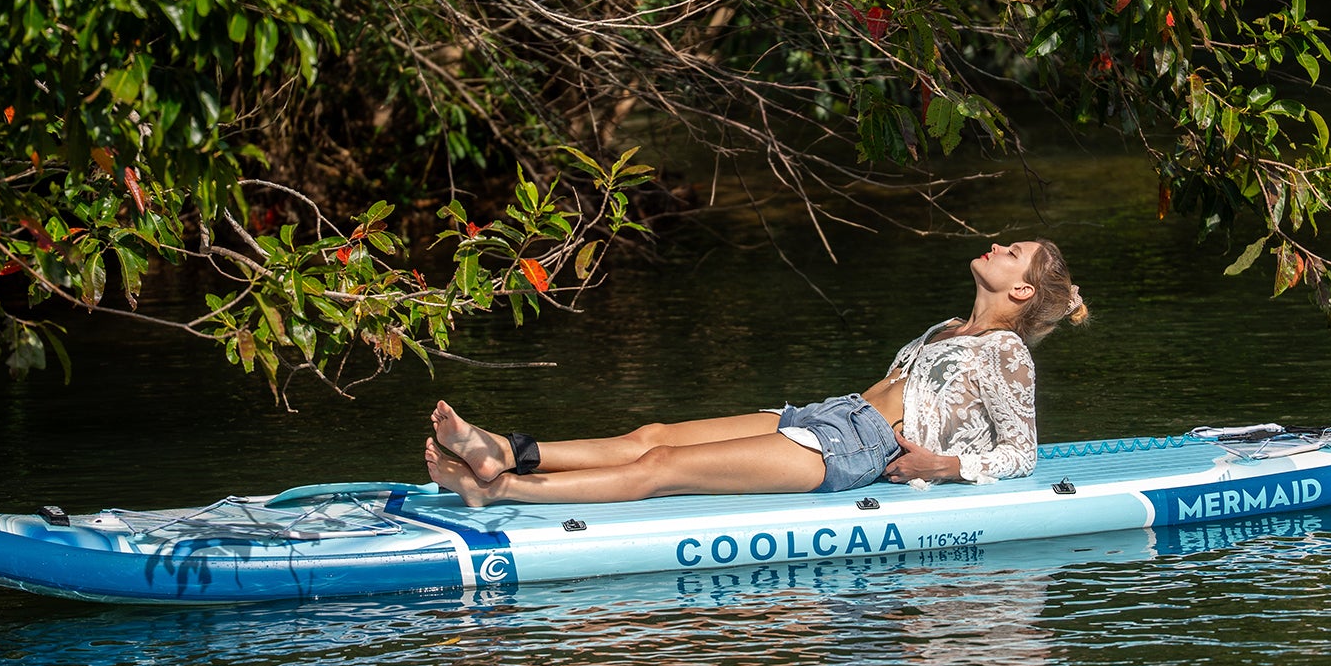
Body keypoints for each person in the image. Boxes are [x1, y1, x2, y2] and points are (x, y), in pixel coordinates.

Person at [425, 238, 1088, 507]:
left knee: (662, 465)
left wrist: (941, 467)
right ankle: (505, 448)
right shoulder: (948, 326)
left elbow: (1021, 452)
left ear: (1022, 291)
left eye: (1013, 252)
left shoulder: (1006, 351)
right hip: (831, 417)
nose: (997, 246)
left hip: (860, 448)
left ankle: (501, 490)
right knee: (653, 434)